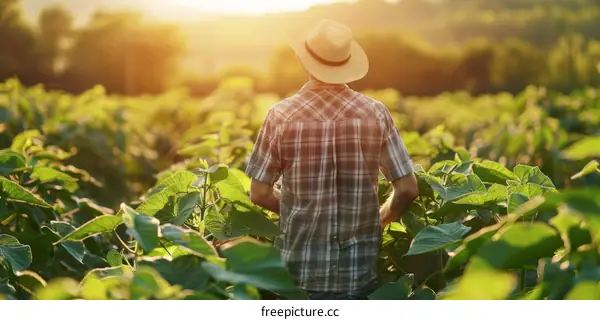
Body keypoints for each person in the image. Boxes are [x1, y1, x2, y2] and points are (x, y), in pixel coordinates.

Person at [244, 19, 419, 300]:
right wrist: (378, 220)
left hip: (299, 272)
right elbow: (408, 189)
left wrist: (299, 211)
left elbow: (259, 193)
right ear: (346, 63)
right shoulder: (375, 113)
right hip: (359, 273)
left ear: (305, 61)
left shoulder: (281, 115)